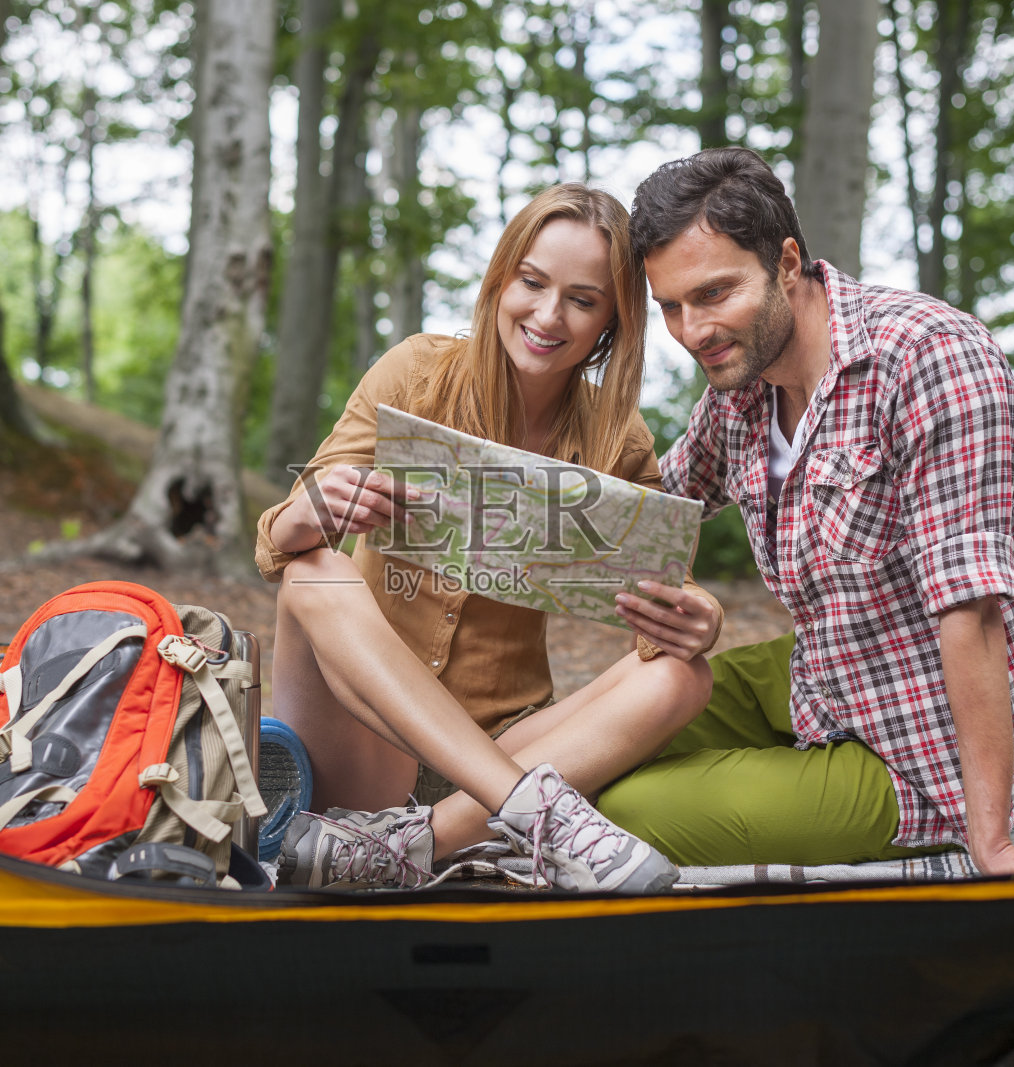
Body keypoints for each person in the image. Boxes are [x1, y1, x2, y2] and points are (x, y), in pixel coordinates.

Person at [596, 147, 1014, 877]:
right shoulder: (742, 388)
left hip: (918, 747)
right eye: (672, 307)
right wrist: (465, 501)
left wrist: (993, 844)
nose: (693, 330)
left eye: (713, 293)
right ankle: (446, 807)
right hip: (829, 671)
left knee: (622, 810)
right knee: (604, 733)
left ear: (785, 261)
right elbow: (655, 501)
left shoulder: (931, 358)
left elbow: (971, 609)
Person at [255, 184, 722, 893]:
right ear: (501, 278)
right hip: (365, 737)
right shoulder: (414, 373)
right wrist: (314, 508)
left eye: (582, 299)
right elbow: (277, 541)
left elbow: (661, 587)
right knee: (312, 571)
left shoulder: (615, 436)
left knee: (684, 673)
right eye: (531, 283)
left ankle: (416, 844)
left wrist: (699, 615)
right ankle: (533, 816)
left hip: (510, 743)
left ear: (611, 322)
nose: (547, 315)